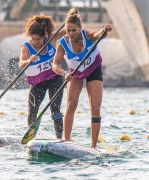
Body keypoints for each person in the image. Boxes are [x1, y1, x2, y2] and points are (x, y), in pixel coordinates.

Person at [52, 8, 112, 150]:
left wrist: (104, 30)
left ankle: (93, 146)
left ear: (80, 28)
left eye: (74, 30)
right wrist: (64, 73)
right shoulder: (63, 43)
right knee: (71, 104)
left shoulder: (89, 36)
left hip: (93, 69)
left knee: (95, 108)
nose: (71, 34)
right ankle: (67, 141)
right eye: (68, 31)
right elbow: (55, 65)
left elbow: (99, 35)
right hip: (75, 73)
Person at [19, 13, 66, 140]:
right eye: (33, 39)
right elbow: (21, 64)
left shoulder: (50, 40)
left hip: (55, 79)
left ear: (44, 37)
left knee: (55, 110)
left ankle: (59, 139)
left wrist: (70, 20)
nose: (36, 42)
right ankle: (31, 139)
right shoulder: (27, 47)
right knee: (32, 111)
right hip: (37, 83)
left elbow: (67, 30)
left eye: (38, 39)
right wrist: (29, 60)